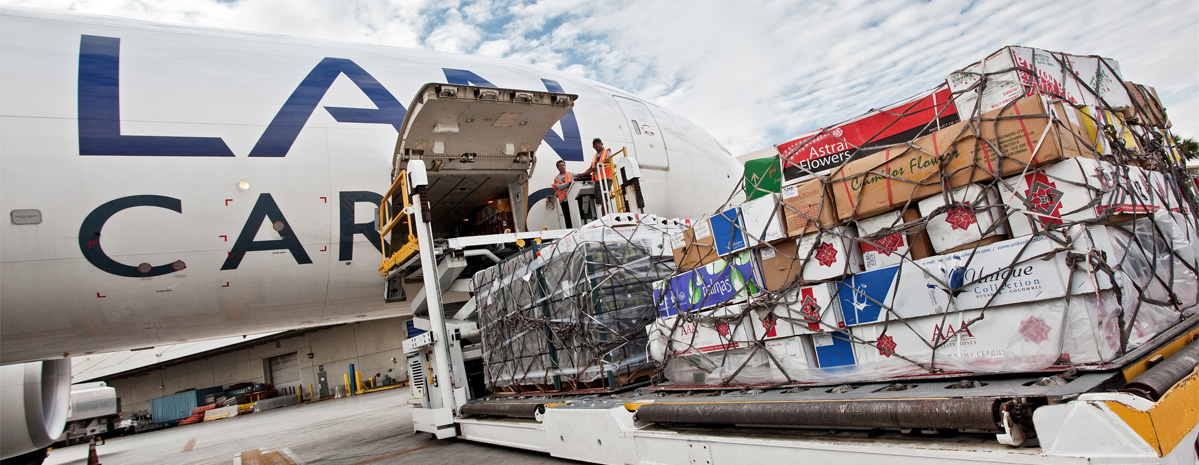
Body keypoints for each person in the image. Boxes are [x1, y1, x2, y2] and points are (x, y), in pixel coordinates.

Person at [577, 137, 614, 215]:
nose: (597, 145)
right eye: (595, 144)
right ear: (593, 147)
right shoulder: (595, 157)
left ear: (602, 144)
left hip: (606, 178)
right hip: (598, 179)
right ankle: (604, 215)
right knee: (600, 199)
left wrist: (599, 165)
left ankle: (606, 216)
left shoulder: (607, 151)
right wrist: (583, 174)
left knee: (603, 197)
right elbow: (591, 168)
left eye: (598, 143)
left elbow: (609, 160)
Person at [552, 160, 574, 228]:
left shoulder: (571, 174)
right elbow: (559, 187)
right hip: (564, 200)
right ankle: (569, 229)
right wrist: (569, 183)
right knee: (567, 217)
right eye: (560, 166)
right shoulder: (556, 178)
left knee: (574, 215)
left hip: (572, 199)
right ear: (558, 168)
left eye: (563, 165)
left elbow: (578, 178)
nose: (562, 167)